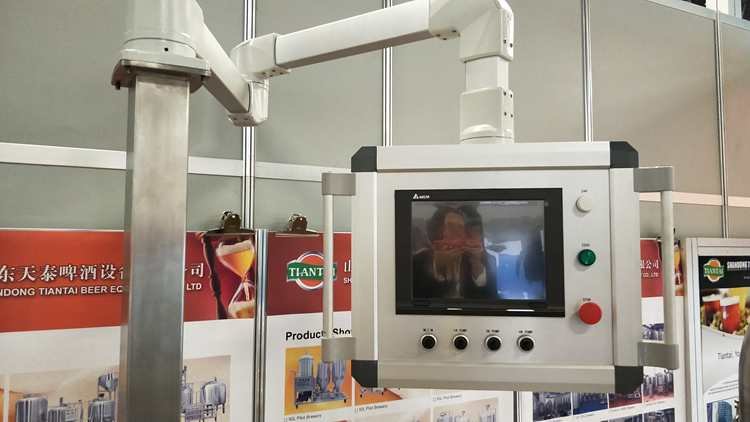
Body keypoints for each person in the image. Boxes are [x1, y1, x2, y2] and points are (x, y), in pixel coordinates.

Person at [412, 206, 497, 300]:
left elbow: (492, 298)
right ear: (438, 230)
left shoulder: (480, 258)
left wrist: (476, 264)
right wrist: (436, 265)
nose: (457, 232)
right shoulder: (416, 261)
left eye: (460, 227)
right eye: (451, 226)